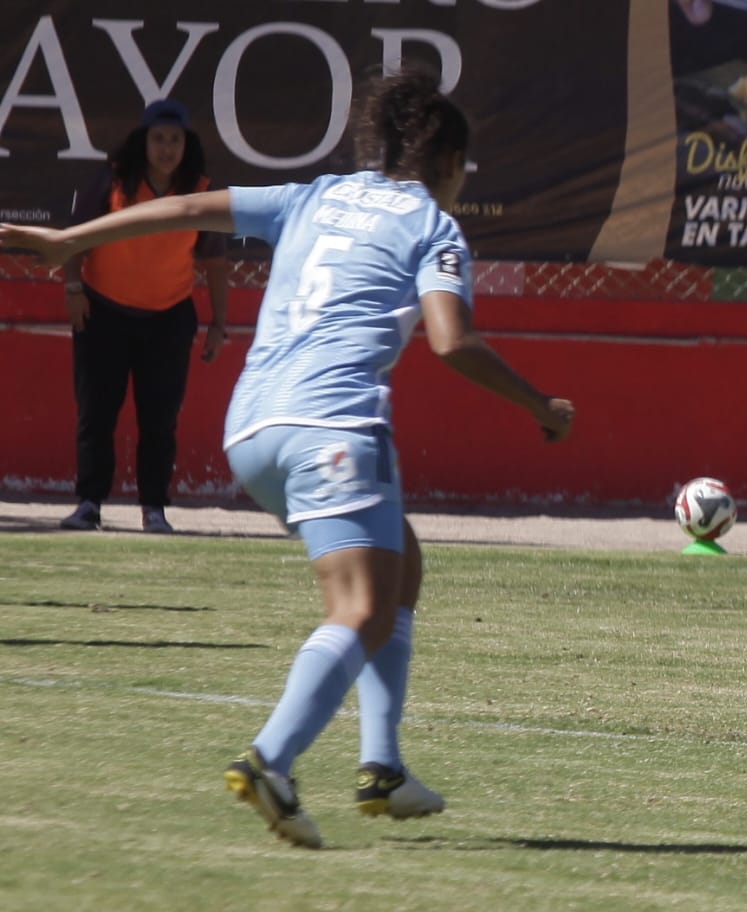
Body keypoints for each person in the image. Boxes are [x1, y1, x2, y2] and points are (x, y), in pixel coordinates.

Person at [1, 68, 576, 849]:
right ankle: (270, 759)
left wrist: (72, 240)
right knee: (362, 610)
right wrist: (541, 406)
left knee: (399, 563)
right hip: (332, 425)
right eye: (461, 166)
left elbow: (180, 208)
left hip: (252, 428)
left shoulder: (314, 195)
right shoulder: (433, 227)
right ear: (446, 164)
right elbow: (453, 341)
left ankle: (384, 768)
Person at [58, 98, 230, 535]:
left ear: (186, 145)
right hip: (102, 314)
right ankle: (89, 503)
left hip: (168, 320)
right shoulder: (114, 181)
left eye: (175, 140)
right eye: (159, 139)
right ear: (144, 141)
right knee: (96, 414)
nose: (167, 148)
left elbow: (213, 262)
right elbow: (74, 239)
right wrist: (74, 288)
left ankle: (154, 507)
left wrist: (217, 323)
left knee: (159, 419)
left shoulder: (200, 190)